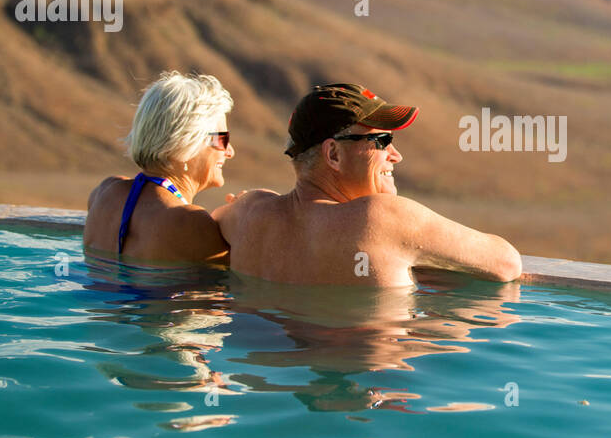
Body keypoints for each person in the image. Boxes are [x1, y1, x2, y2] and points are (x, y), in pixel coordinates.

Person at [214, 82, 521, 286]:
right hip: (373, 380)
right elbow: (506, 263)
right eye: (381, 140)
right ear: (333, 153)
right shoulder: (381, 217)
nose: (396, 155)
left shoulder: (246, 213)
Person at [84, 71, 235, 264]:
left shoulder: (103, 195)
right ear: (185, 144)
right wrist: (245, 214)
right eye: (223, 139)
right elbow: (243, 281)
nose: (230, 151)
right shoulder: (189, 224)